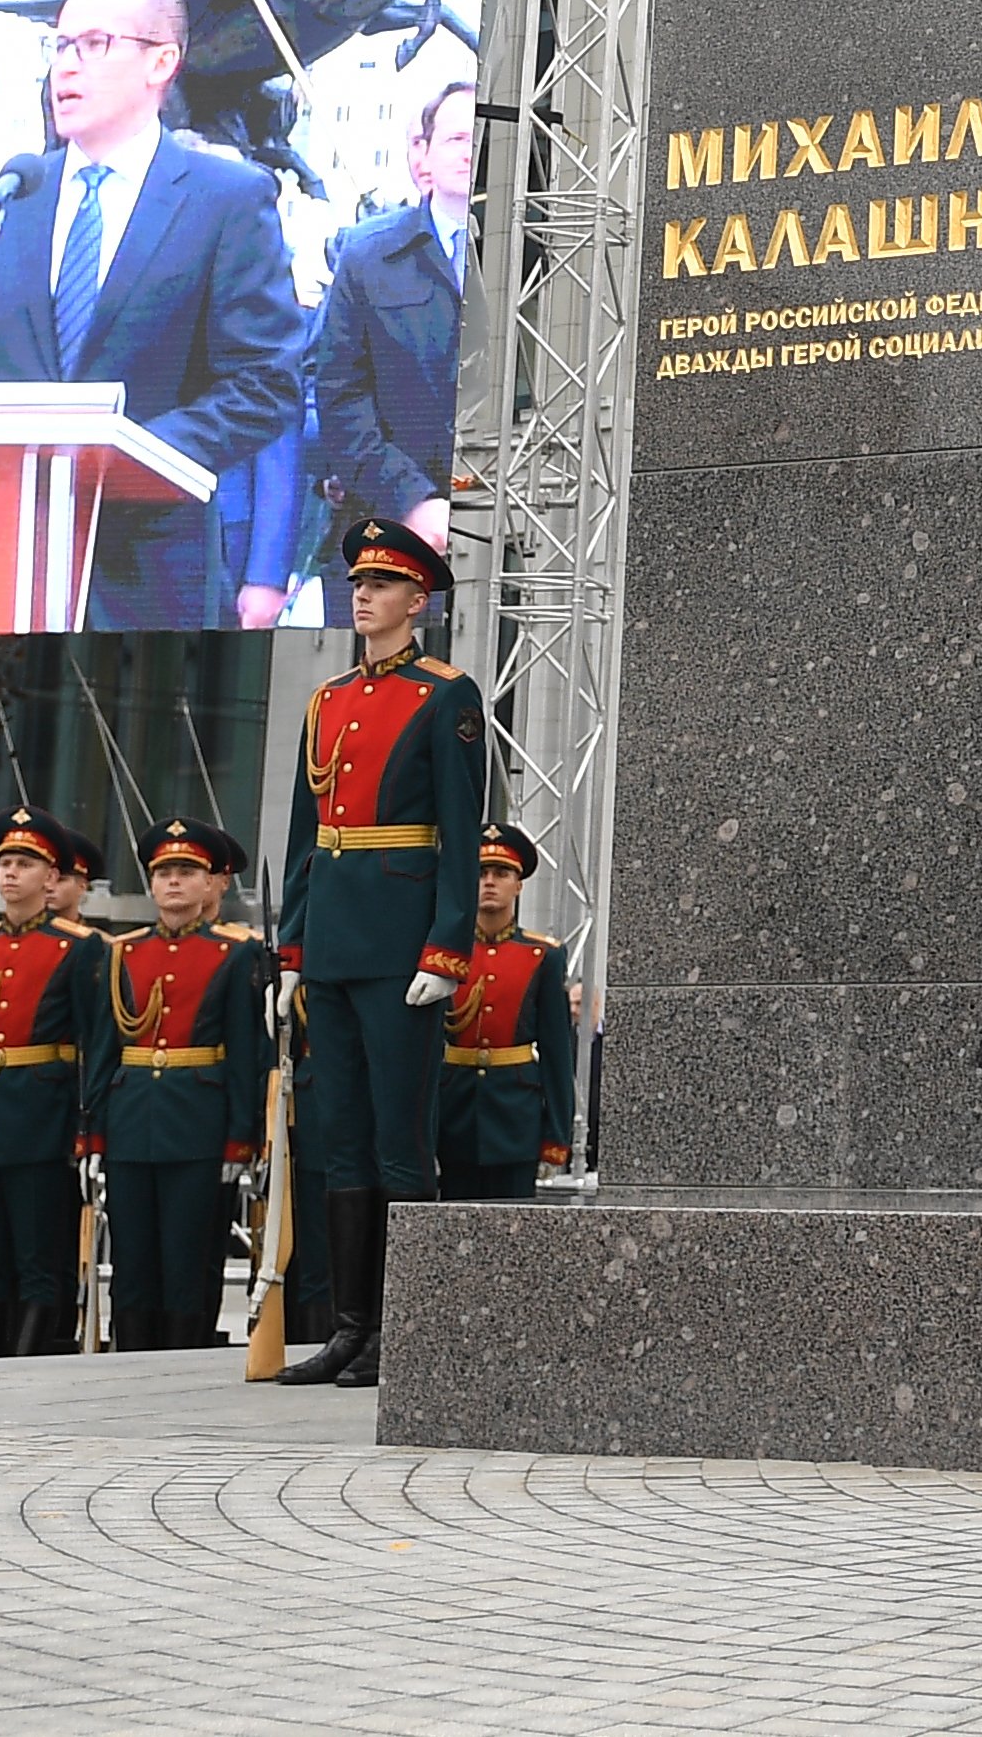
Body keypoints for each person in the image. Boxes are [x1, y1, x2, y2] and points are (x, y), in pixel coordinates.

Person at [0, 0, 310, 629]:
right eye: (59, 46)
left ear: (162, 62)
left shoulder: (226, 201)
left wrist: (127, 457)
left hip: (148, 574)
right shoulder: (5, 198)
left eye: (94, 44)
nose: (64, 68)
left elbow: (266, 384)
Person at [275, 524, 490, 1394]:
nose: (362, 596)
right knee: (340, 1142)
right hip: (331, 938)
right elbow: (303, 830)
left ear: (418, 601)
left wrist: (448, 946)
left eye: (382, 584)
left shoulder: (447, 695)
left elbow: (459, 837)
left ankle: (403, 1330)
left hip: (402, 942)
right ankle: (350, 1328)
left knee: (401, 1144)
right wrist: (291, 945)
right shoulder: (326, 700)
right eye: (358, 582)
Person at [0, 808, 110, 1355]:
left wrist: (87, 1128)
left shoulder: (79, 947)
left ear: (52, 878)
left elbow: (93, 1045)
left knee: (39, 1258)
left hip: (43, 1114)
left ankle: (30, 1362)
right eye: (5, 862)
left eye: (26, 863)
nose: (11, 873)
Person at [94, 819, 272, 1348]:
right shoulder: (123, 952)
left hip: (198, 1121)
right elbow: (103, 1048)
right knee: (132, 1256)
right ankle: (129, 1357)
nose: (174, 883)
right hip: (131, 1121)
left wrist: (242, 1136)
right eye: (164, 872)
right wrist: (95, 1131)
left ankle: (182, 1357)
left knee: (190, 1257)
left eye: (187, 872)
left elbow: (246, 1052)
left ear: (209, 883)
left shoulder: (236, 952)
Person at [310, 76, 482, 594]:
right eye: (455, 138)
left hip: (506, 530)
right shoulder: (368, 256)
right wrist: (415, 498)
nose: (470, 150)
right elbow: (339, 396)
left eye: (482, 137)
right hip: (384, 531)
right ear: (423, 154)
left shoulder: (549, 250)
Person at [438, 824, 583, 1203]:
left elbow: (556, 1053)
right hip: (452, 1111)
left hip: (515, 1116)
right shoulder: (442, 956)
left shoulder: (543, 956)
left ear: (519, 885)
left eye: (502, 874)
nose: (489, 882)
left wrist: (556, 1136)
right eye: (481, 873)